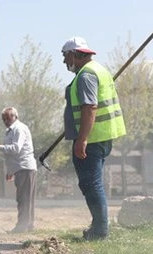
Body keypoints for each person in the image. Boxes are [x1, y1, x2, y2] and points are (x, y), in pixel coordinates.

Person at [61, 37, 126, 240]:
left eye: (65, 57)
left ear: (74, 54)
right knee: (92, 183)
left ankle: (99, 231)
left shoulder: (86, 76)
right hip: (101, 137)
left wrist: (82, 140)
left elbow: (90, 107)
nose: (64, 62)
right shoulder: (99, 70)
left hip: (92, 139)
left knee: (92, 184)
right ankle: (98, 225)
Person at [0, 107, 37, 233]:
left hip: (25, 167)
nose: (5, 120)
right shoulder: (10, 131)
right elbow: (12, 155)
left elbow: (16, 148)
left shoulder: (18, 129)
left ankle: (22, 226)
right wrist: (10, 171)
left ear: (15, 116)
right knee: (24, 198)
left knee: (24, 198)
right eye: (4, 118)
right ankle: (27, 225)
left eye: (8, 117)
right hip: (20, 168)